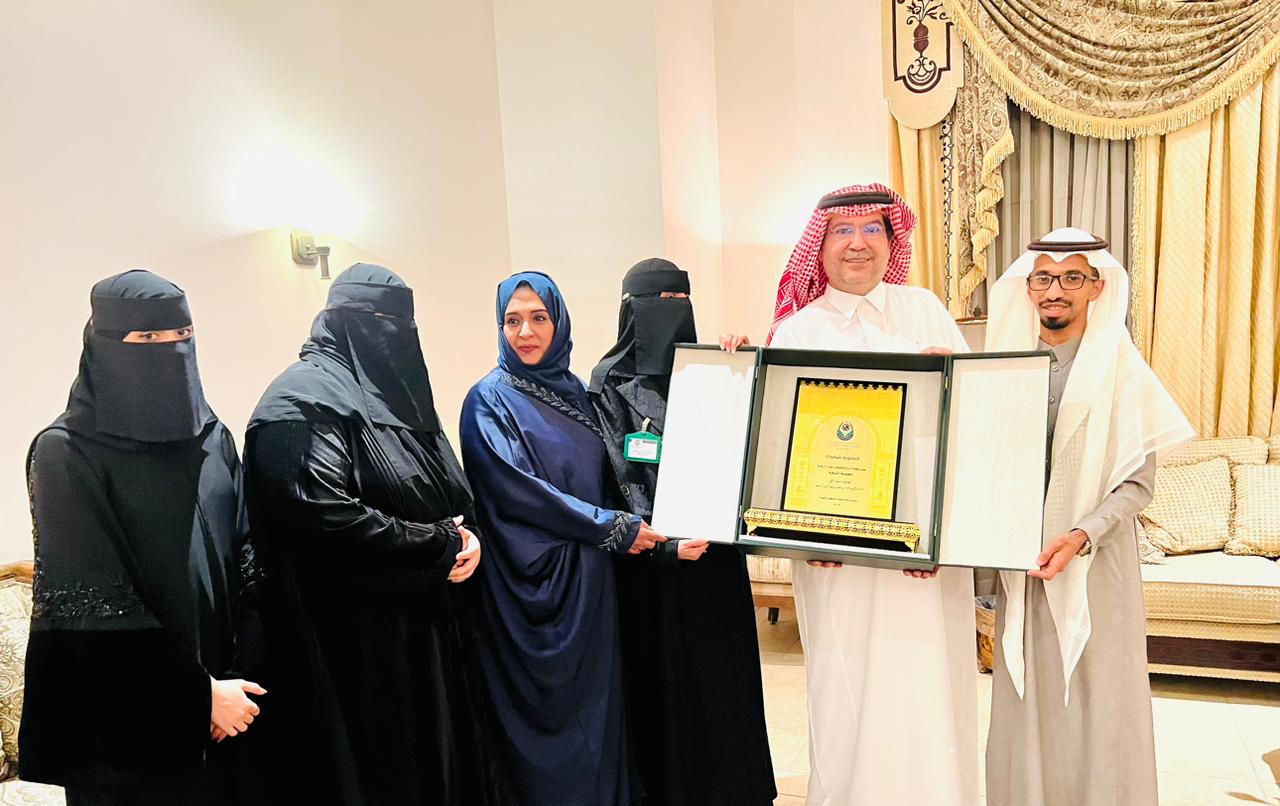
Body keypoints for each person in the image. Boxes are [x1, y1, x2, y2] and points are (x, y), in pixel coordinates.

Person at [244, 264, 501, 805]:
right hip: (353, 643)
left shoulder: (398, 396)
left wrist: (470, 537)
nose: (391, 333)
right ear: (337, 321)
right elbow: (318, 513)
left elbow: (451, 494)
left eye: (400, 321)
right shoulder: (301, 400)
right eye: (376, 319)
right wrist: (439, 543)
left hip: (430, 629)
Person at [762, 183, 979, 806]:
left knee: (929, 684)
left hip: (926, 553)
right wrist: (804, 539)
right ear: (819, 246)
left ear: (892, 239)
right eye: (842, 231)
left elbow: (975, 423)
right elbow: (776, 449)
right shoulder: (796, 331)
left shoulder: (927, 312)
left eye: (871, 230)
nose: (857, 244)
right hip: (835, 557)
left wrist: (956, 379)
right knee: (846, 686)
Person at [21, 270, 262, 805]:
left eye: (183, 335)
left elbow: (250, 556)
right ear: (104, 344)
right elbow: (92, 601)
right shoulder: (65, 453)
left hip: (230, 718)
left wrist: (236, 679)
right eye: (148, 337)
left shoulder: (213, 438)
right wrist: (197, 696)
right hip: (126, 738)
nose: (170, 349)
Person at [983, 228, 1193, 806]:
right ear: (1028, 287)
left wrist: (1081, 535)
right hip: (1025, 566)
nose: (1056, 290)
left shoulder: (1122, 371)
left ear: (1097, 287)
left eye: (1072, 277)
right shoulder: (1001, 370)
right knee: (1028, 698)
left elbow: (1136, 486)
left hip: (1098, 569)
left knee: (1101, 703)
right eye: (1045, 278)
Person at [460, 271, 666, 806]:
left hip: (589, 582)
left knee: (595, 710)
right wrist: (610, 528)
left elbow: (611, 474)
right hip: (524, 589)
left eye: (538, 318)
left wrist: (654, 534)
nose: (525, 332)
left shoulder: (574, 391)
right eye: (512, 320)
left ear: (559, 322)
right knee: (541, 715)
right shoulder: (487, 400)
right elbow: (517, 491)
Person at [589, 258, 775, 806]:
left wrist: (742, 368)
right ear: (629, 309)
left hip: (716, 555)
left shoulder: (709, 367)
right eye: (656, 302)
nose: (669, 312)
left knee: (722, 679)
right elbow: (617, 474)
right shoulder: (609, 384)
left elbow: (748, 438)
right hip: (652, 562)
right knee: (665, 683)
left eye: (679, 301)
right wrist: (663, 546)